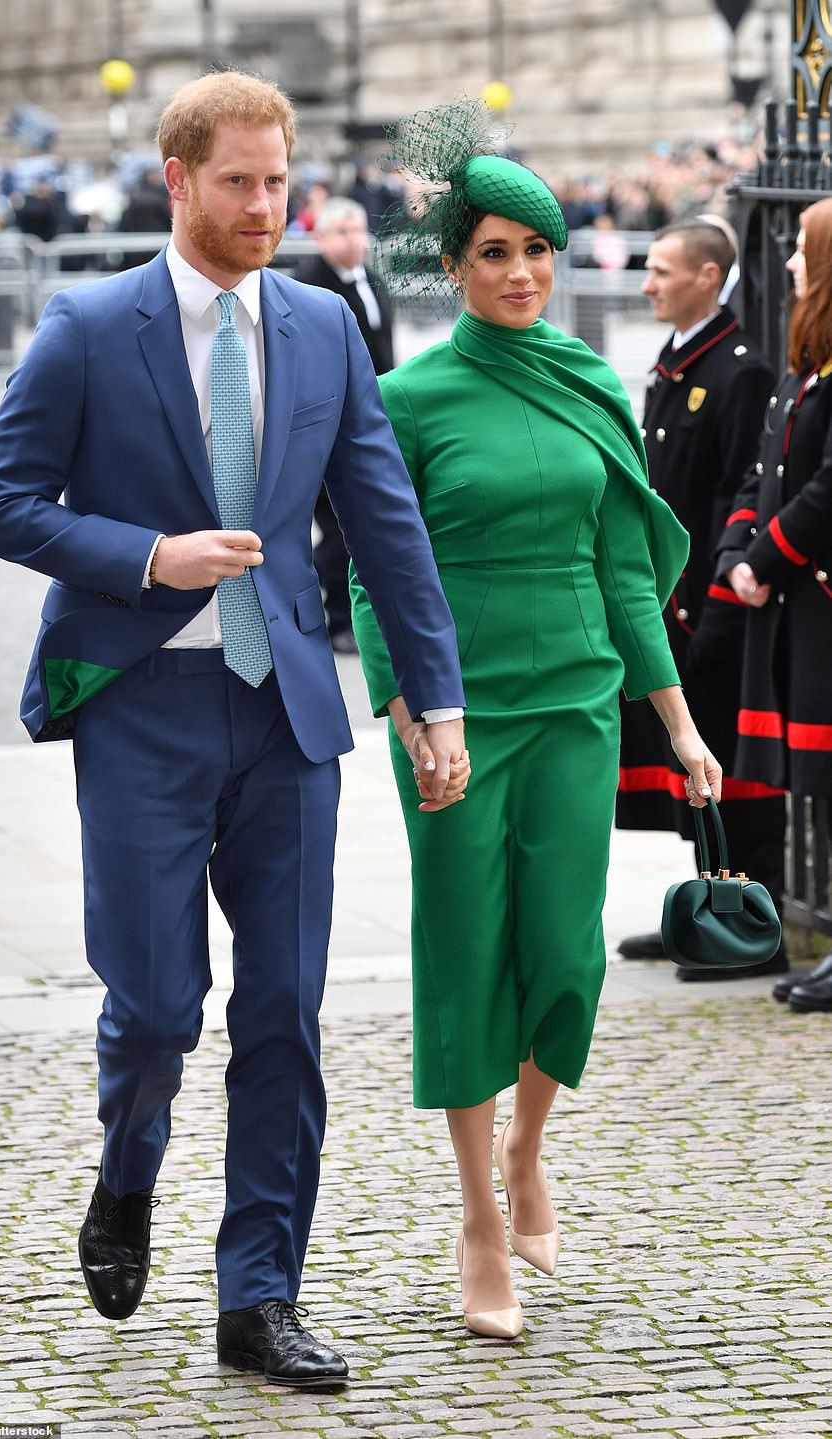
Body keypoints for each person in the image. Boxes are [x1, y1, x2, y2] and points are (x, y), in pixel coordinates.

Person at [0, 71, 468, 1388]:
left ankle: (260, 1295)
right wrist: (149, 555)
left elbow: (383, 521)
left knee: (285, 1015)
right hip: (141, 708)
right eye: (238, 181)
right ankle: (126, 1169)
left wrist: (432, 695)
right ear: (178, 179)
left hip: (288, 715)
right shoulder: (87, 326)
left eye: (279, 180)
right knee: (156, 1008)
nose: (265, 205)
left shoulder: (319, 326)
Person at [350, 102, 721, 1340]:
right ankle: (472, 1214)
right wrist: (410, 712)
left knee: (562, 957)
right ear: (451, 263)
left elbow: (623, 570)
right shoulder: (405, 397)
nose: (521, 273)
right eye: (495, 251)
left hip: (575, 705)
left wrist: (673, 720)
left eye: (539, 250)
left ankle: (527, 1151)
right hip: (455, 720)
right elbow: (369, 572)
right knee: (466, 951)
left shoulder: (585, 382)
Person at [615, 219, 787, 980]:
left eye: (661, 270)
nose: (647, 284)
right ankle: (707, 903)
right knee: (696, 764)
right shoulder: (678, 360)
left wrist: (708, 603)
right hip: (674, 598)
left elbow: (734, 495)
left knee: (732, 760)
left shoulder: (739, 369)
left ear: (708, 277)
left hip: (712, 601)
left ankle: (753, 918)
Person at [717, 196, 832, 1015]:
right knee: (820, 790)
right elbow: (767, 472)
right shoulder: (805, 368)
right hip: (794, 610)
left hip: (817, 602)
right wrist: (737, 556)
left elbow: (828, 489)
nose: (788, 261)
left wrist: (768, 556)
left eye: (802, 248)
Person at [293, 197, 395, 651]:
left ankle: (332, 595)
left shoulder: (370, 278)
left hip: (368, 418)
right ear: (321, 238)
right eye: (342, 232)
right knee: (336, 524)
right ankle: (337, 619)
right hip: (327, 424)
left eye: (358, 231)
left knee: (354, 523)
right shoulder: (310, 286)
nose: (353, 240)